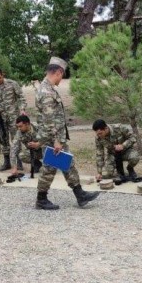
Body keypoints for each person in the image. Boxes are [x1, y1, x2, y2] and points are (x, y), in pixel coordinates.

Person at [34, 57, 100, 210]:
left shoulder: (48, 89)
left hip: (56, 137)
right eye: (62, 75)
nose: (61, 79)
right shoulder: (46, 92)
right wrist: (57, 141)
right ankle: (41, 199)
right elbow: (49, 119)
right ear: (58, 72)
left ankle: (80, 194)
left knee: (68, 164)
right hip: (52, 138)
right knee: (49, 168)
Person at [0, 67, 28, 171]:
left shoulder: (12, 84)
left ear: (3, 75)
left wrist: (22, 109)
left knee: (16, 139)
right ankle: (7, 162)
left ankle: (18, 162)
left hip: (14, 117)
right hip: (1, 119)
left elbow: (21, 98)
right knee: (3, 140)